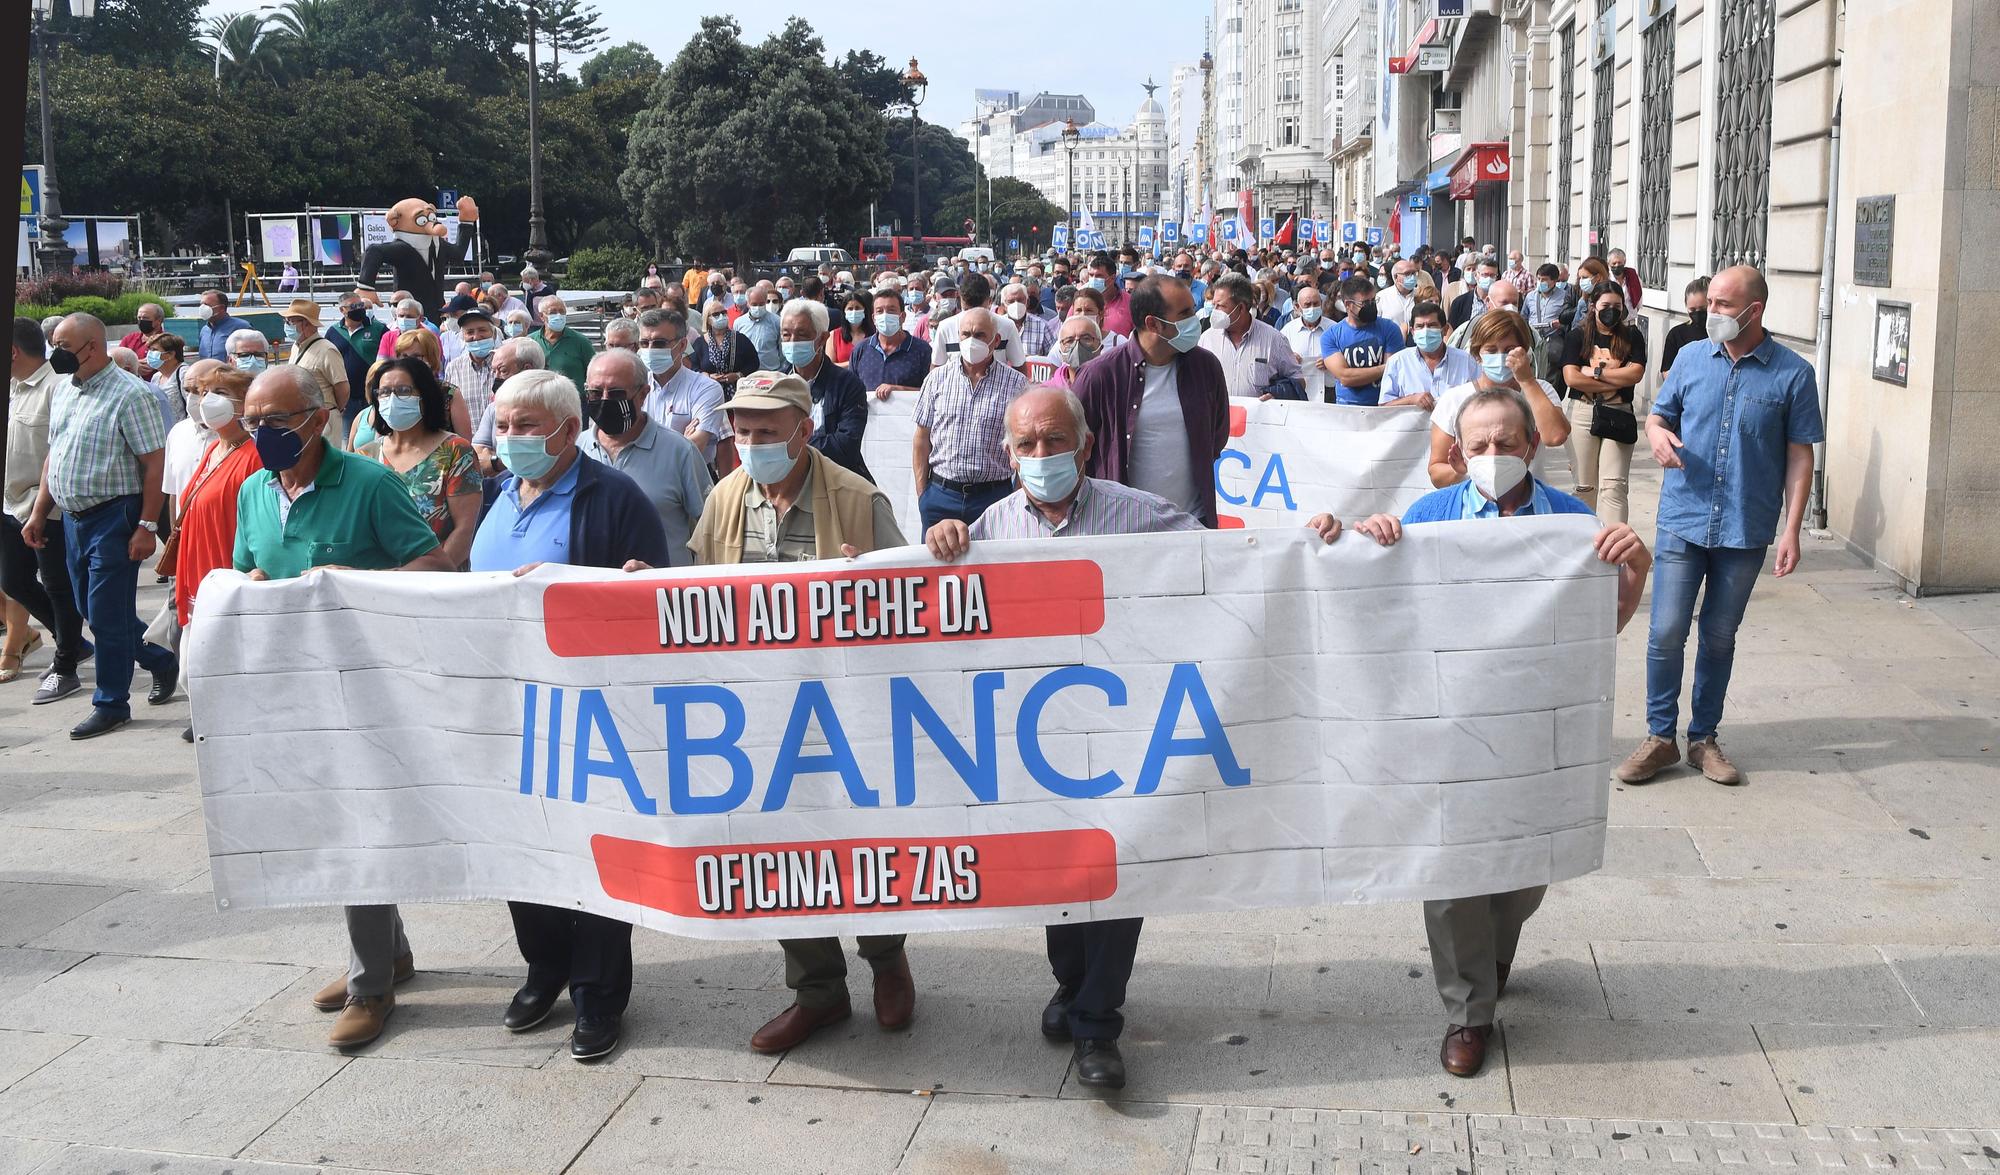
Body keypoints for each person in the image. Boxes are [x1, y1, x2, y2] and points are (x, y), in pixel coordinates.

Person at [1355, 385, 1651, 1080]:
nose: (1493, 455)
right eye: (1478, 445)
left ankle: (1493, 949)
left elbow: (1600, 627)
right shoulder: (1428, 516)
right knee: (1455, 871)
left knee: (1524, 873)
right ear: (1458, 452)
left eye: (1506, 442)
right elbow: (1382, 612)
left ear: (1533, 444)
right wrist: (1370, 545)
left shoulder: (1573, 525)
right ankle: (1468, 1013)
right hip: (1449, 725)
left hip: (1535, 730)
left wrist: (1633, 569)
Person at [920, 386, 1200, 1091]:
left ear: (1083, 443)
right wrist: (935, 549)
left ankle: (1098, 1023)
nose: (1041, 455)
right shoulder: (985, 530)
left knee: (1113, 873)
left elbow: (1237, 568)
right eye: (1027, 445)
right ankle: (1072, 985)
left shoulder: (1144, 516)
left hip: (1121, 735)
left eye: (1054, 440)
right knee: (1055, 878)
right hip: (1031, 747)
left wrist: (1322, 541)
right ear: (1008, 456)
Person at [671, 371, 915, 1055]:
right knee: (779, 849)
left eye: (766, 432)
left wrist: (866, 579)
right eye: (742, 432)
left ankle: (886, 954)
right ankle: (818, 990)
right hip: (759, 716)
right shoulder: (725, 496)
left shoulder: (857, 498)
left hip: (846, 712)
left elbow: (914, 603)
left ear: (803, 432)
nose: (750, 444)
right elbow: (694, 596)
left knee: (862, 839)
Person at [475, 368, 667, 1063]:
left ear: (565, 428)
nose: (512, 438)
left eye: (527, 426)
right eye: (503, 425)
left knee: (590, 852)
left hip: (589, 708)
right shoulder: (500, 492)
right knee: (522, 849)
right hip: (509, 703)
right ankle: (544, 966)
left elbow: (650, 603)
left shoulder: (613, 498)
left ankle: (597, 992)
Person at [1620, 265, 1823, 788]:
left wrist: (1792, 529)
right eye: (1710, 302)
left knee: (1718, 635)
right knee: (1665, 632)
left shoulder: (1793, 374)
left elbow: (1800, 456)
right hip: (1683, 519)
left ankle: (1703, 738)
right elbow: (1659, 416)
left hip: (1745, 526)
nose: (1712, 313)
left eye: (1724, 305)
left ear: (1755, 310)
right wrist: (1658, 435)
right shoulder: (1689, 357)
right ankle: (1660, 737)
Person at [22, 314, 177, 739]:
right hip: (73, 519)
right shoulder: (65, 391)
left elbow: (154, 463)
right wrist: (39, 511)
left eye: (63, 345)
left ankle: (111, 703)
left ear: (92, 347)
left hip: (115, 516)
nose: (56, 352)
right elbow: (55, 453)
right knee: (94, 610)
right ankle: (161, 660)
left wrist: (146, 525)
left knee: (106, 617)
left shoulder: (131, 395)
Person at [1072, 274, 1230, 524]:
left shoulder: (1206, 367)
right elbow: (1075, 448)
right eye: (1185, 313)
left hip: (1194, 524)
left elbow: (1217, 436)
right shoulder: (1100, 376)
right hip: (1123, 527)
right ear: (1154, 324)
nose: (1196, 318)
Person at [165, 365, 259, 740]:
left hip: (225, 569)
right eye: (203, 392)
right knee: (191, 664)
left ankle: (229, 718)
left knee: (203, 662)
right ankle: (215, 713)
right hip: (196, 566)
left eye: (219, 391)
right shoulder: (216, 448)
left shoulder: (253, 454)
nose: (207, 400)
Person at [3, 317, 88, 705]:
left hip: (45, 507)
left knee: (58, 586)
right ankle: (70, 640)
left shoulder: (56, 388)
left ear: (14, 351)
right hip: (11, 504)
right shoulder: (15, 388)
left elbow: (59, 452)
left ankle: (66, 659)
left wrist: (41, 508)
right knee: (14, 581)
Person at [577, 349, 709, 567]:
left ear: (643, 394)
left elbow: (710, 528)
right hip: (593, 593)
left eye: (617, 393)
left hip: (662, 594)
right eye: (595, 393)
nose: (604, 401)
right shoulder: (576, 450)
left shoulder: (679, 451)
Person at [357, 357, 484, 570]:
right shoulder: (367, 455)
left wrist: (420, 577)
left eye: (404, 390)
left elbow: (464, 530)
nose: (393, 399)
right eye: (385, 392)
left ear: (425, 396)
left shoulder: (455, 452)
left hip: (437, 584)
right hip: (377, 583)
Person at [912, 307, 1028, 530]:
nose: (971, 340)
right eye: (966, 334)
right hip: (940, 497)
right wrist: (923, 494)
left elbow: (1023, 445)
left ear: (995, 341)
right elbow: (921, 440)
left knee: (993, 565)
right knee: (939, 564)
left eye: (979, 335)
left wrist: (1018, 493)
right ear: (958, 337)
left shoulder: (1017, 384)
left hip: (994, 498)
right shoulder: (936, 379)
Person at [1428, 309, 1571, 489]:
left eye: (1509, 350)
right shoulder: (1454, 399)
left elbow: (1556, 436)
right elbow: (1436, 472)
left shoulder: (1541, 391)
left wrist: (1527, 381)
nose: (1501, 357)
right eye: (1491, 350)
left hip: (1529, 501)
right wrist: (1463, 469)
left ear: (1525, 351)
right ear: (1477, 354)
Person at [1561, 284, 1647, 523]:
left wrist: (1594, 372)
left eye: (1617, 307)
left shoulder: (1632, 336)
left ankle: (1614, 549)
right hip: (1582, 413)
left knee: (1614, 486)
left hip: (1618, 414)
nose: (1611, 312)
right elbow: (1572, 378)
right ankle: (1583, 543)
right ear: (1592, 307)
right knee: (1585, 486)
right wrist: (1615, 380)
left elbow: (1635, 374)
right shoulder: (1578, 335)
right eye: (1605, 306)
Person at [779, 299, 871, 480]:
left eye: (802, 334)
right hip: (788, 481)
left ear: (822, 338)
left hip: (837, 481)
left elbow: (846, 445)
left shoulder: (848, 385)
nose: (793, 341)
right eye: (786, 335)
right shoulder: (778, 383)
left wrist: (790, 444)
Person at [638, 309, 726, 468]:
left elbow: (694, 448)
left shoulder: (705, 389)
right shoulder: (634, 387)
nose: (650, 350)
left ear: (682, 345)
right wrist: (681, 442)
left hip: (691, 479)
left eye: (659, 343)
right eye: (644, 343)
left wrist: (642, 446)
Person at [1200, 272, 1303, 400]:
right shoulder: (1207, 339)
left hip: (1258, 418)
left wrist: (1277, 395)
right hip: (1217, 418)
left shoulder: (1274, 339)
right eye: (1214, 304)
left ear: (1241, 308)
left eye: (1220, 306)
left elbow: (1298, 381)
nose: (1215, 311)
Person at [1320, 277, 1407, 406]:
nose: (1371, 306)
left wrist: (1360, 375)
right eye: (1365, 303)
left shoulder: (1390, 328)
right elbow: (1345, 377)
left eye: (1374, 301)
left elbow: (1393, 372)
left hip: (1383, 406)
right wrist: (1384, 368)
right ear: (1348, 305)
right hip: (1348, 407)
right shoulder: (1331, 336)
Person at [470, 336, 546, 474]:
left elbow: (541, 457)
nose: (496, 378)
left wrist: (496, 463)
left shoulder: (551, 407)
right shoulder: (493, 409)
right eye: (494, 371)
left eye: (503, 370)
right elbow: (478, 456)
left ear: (527, 370)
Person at [1382, 302, 1477, 412]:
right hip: (1411, 428)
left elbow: (1481, 397)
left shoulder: (1466, 361)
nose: (1425, 331)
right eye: (1420, 326)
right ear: (1412, 332)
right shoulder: (1398, 362)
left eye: (1432, 325)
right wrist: (1411, 400)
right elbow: (1384, 407)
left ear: (1445, 329)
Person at [928, 273, 1027, 370]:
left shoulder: (1007, 326)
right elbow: (936, 369)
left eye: (979, 311)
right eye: (968, 310)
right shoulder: (946, 327)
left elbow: (1019, 366)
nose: (974, 317)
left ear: (990, 301)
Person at [392, 325, 474, 438]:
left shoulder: (449, 393)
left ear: (431, 358)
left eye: (416, 357)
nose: (408, 362)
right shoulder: (391, 391)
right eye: (404, 356)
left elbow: (465, 441)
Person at [282, 300, 350, 432]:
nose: (287, 325)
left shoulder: (326, 350)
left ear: (306, 323)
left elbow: (342, 387)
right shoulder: (296, 347)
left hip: (323, 418)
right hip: (303, 417)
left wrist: (334, 409)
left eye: (291, 321)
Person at [854, 288, 933, 402]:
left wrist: (898, 390)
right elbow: (851, 390)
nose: (885, 315)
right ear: (873, 318)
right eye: (880, 311)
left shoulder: (922, 350)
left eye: (891, 310)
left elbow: (931, 391)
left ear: (903, 316)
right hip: (869, 418)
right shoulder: (861, 350)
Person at [443, 309, 503, 443]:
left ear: (493, 334)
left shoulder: (505, 363)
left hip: (502, 444)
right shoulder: (454, 368)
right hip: (468, 447)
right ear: (462, 337)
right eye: (469, 332)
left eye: (482, 330)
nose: (476, 337)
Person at [331, 297, 389, 433]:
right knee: (347, 436)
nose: (359, 309)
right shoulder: (333, 332)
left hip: (372, 393)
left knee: (373, 434)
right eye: (353, 306)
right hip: (347, 397)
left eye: (360, 305)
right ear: (342, 310)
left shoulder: (379, 329)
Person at [1280, 284, 1333, 402]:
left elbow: (1345, 359)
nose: (1312, 308)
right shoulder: (1288, 331)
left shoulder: (1334, 329)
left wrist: (1331, 362)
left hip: (1329, 393)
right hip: (1297, 394)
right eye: (1307, 305)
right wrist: (1289, 360)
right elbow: (1276, 362)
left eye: (1316, 303)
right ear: (1297, 307)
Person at [529, 297, 593, 390]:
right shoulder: (531, 341)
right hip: (539, 400)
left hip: (572, 401)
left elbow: (593, 372)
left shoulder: (581, 342)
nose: (558, 315)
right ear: (541, 316)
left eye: (562, 312)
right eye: (553, 312)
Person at [1660, 276, 1711, 375]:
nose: (1697, 313)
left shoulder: (1721, 333)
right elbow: (1666, 371)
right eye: (1692, 310)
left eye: (1702, 309)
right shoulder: (1676, 334)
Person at [735, 280, 784, 369]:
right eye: (754, 304)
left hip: (771, 372)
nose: (758, 307)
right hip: (747, 373)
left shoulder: (777, 321)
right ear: (748, 304)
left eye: (761, 304)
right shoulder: (739, 323)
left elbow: (782, 350)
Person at [1045, 315, 1103, 390]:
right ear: (1060, 352)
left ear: (1100, 348)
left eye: (1086, 339)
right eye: (1069, 341)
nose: (1077, 345)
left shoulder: (1113, 387)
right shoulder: (1049, 392)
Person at [1001, 282, 1056, 359]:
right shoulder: (997, 326)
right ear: (1004, 306)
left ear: (1027, 302)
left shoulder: (1042, 326)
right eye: (1011, 301)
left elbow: (1053, 358)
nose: (1016, 304)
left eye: (1020, 300)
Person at [196, 291, 253, 361]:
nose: (202, 308)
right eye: (201, 305)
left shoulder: (241, 328)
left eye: (206, 305)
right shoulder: (204, 330)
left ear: (222, 308)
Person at [1449, 258, 1503, 330]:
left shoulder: (1502, 301)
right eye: (1485, 275)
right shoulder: (1460, 302)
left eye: (1492, 275)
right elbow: (1451, 330)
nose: (1489, 279)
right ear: (1476, 276)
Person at [826, 289, 874, 367]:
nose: (854, 311)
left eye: (857, 308)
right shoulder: (834, 335)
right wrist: (853, 363)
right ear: (844, 312)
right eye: (850, 309)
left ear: (864, 310)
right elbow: (829, 366)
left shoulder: (874, 334)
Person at [147, 332, 188, 420]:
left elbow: (193, 406)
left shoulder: (184, 373)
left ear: (170, 354)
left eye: (154, 350)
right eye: (150, 350)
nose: (150, 353)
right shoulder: (156, 377)